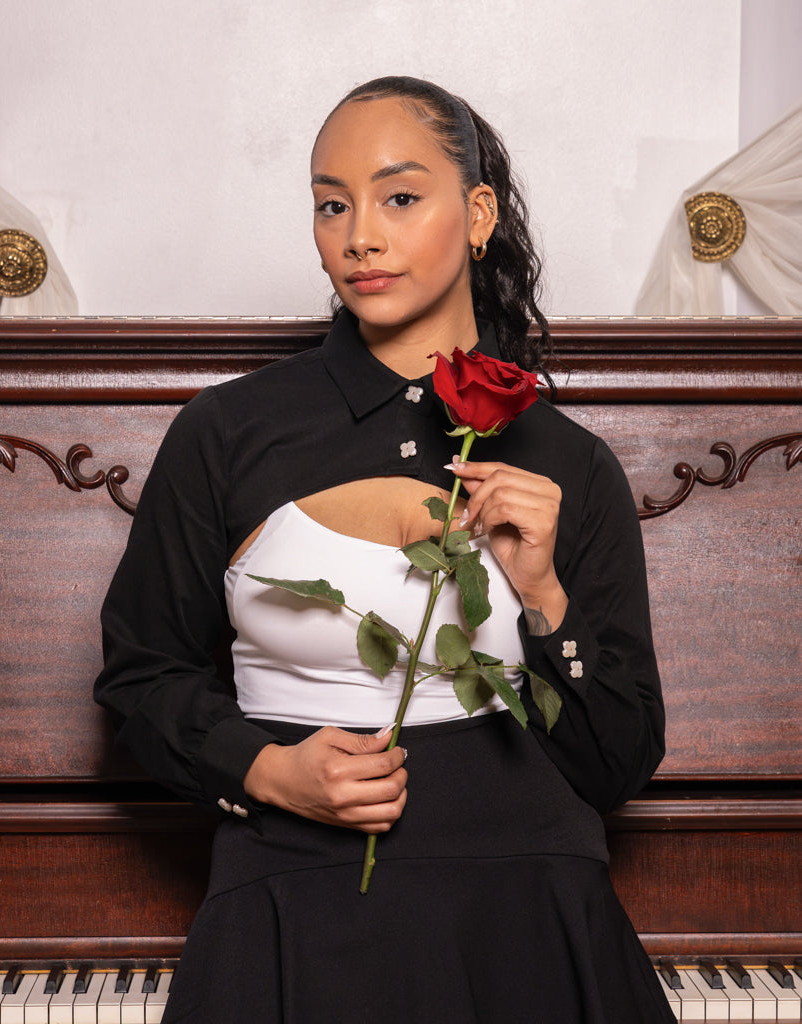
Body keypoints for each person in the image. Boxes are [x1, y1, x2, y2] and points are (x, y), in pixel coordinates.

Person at [95, 76, 675, 1023]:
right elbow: (140, 674)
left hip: (530, 929)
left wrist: (541, 597)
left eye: (399, 197)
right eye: (332, 204)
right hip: (296, 912)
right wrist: (266, 768)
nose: (359, 234)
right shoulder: (228, 431)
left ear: (477, 213)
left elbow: (616, 765)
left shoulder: (570, 463)